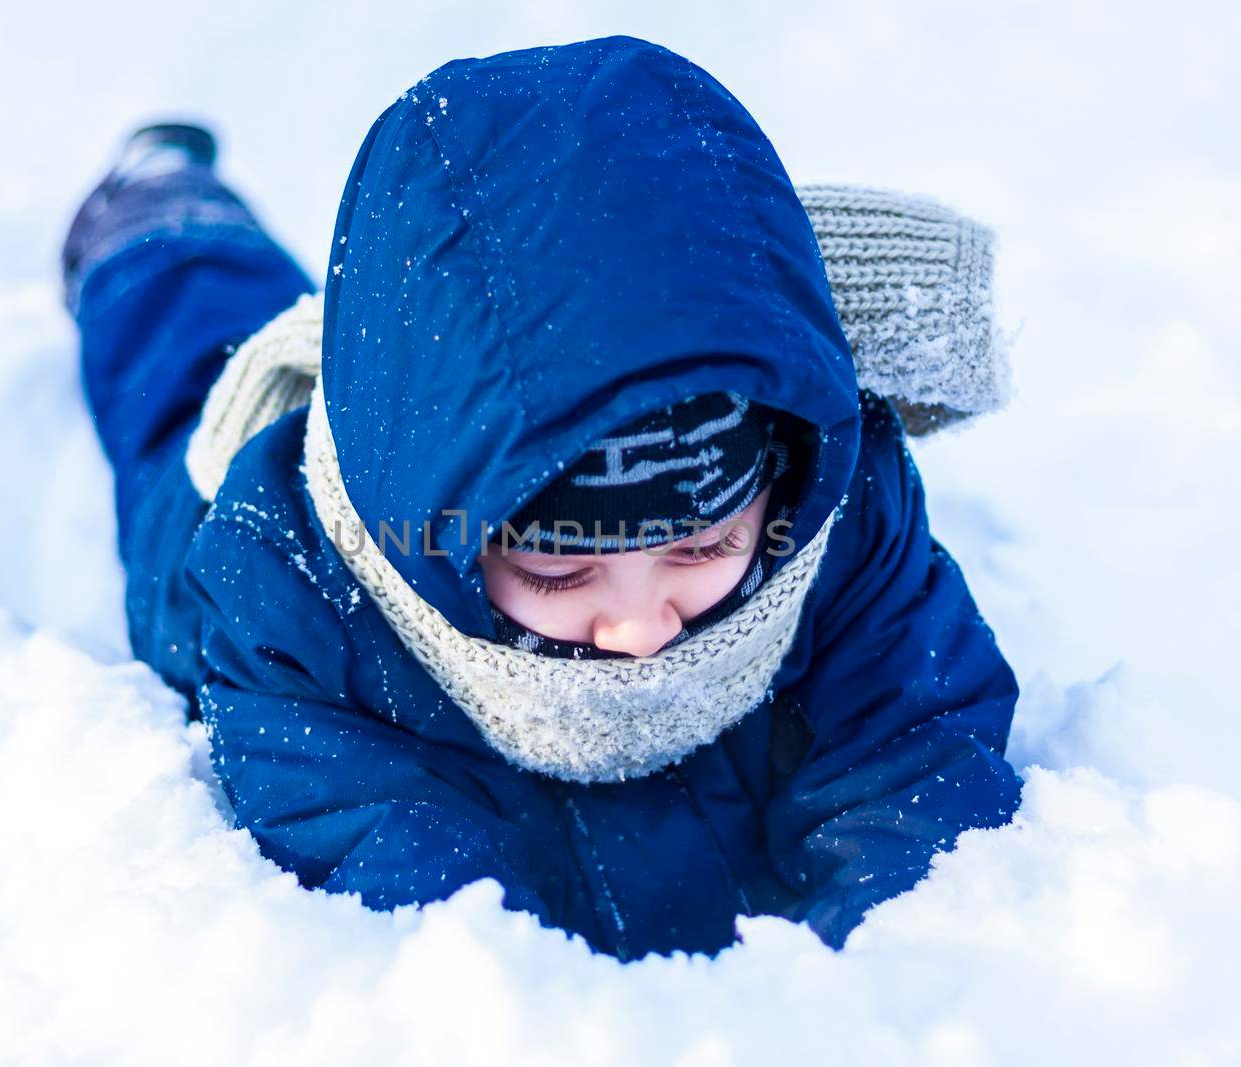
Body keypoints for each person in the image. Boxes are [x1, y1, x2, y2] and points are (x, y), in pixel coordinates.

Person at [60, 35, 1022, 961]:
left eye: (703, 548)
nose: (643, 628)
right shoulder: (298, 606)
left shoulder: (833, 511)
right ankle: (156, 218)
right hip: (287, 504)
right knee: (188, 370)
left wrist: (888, 967)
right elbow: (401, 895)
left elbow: (916, 752)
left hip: (455, 399)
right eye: (561, 568)